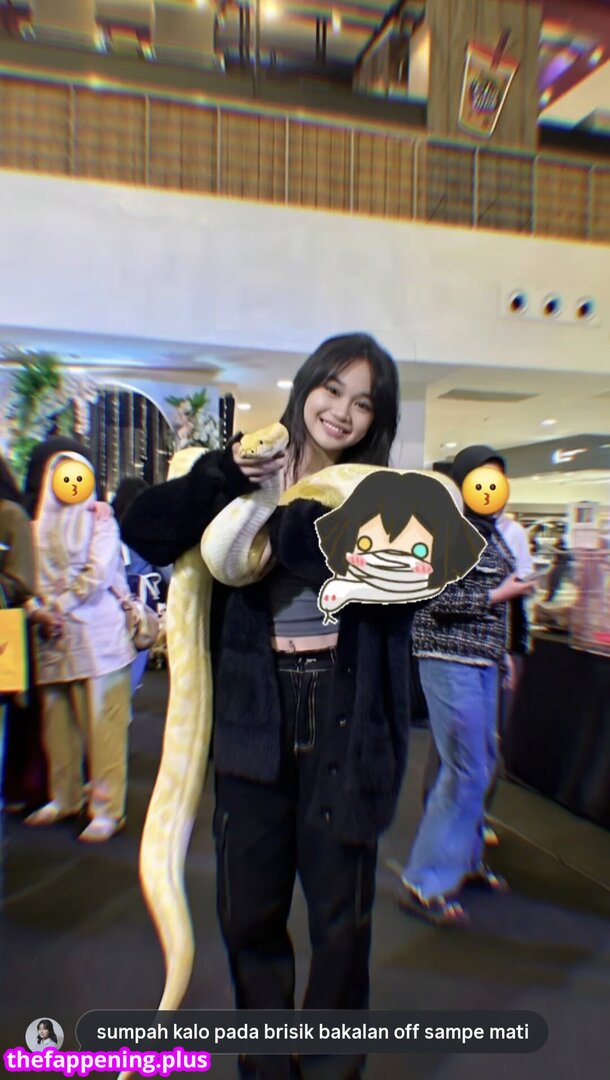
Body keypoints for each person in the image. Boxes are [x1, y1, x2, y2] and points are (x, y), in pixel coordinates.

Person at [123, 333, 416, 1080]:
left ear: (376, 419)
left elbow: (383, 582)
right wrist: (225, 475)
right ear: (306, 385)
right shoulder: (232, 473)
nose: (342, 411)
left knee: (342, 926)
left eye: (363, 403)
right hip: (255, 713)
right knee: (248, 914)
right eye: (332, 389)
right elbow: (144, 529)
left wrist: (285, 512)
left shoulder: (382, 497)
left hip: (347, 721)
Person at [396, 445, 534, 926]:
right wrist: (501, 592)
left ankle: (464, 861)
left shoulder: (491, 531)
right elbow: (432, 600)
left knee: (483, 763)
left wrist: (504, 652)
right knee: (465, 769)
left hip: (483, 662)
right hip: (448, 660)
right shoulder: (440, 529)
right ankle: (423, 882)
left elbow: (503, 603)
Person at [24, 450, 136, 842]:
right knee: (57, 724)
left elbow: (98, 573)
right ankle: (65, 797)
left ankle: (107, 809)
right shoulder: (37, 527)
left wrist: (56, 607)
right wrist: (38, 611)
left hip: (98, 638)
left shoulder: (100, 520)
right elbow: (26, 578)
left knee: (103, 729)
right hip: (53, 639)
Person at [112, 477, 171, 694]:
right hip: (140, 611)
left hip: (110, 611)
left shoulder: (107, 528)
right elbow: (167, 571)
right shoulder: (149, 530)